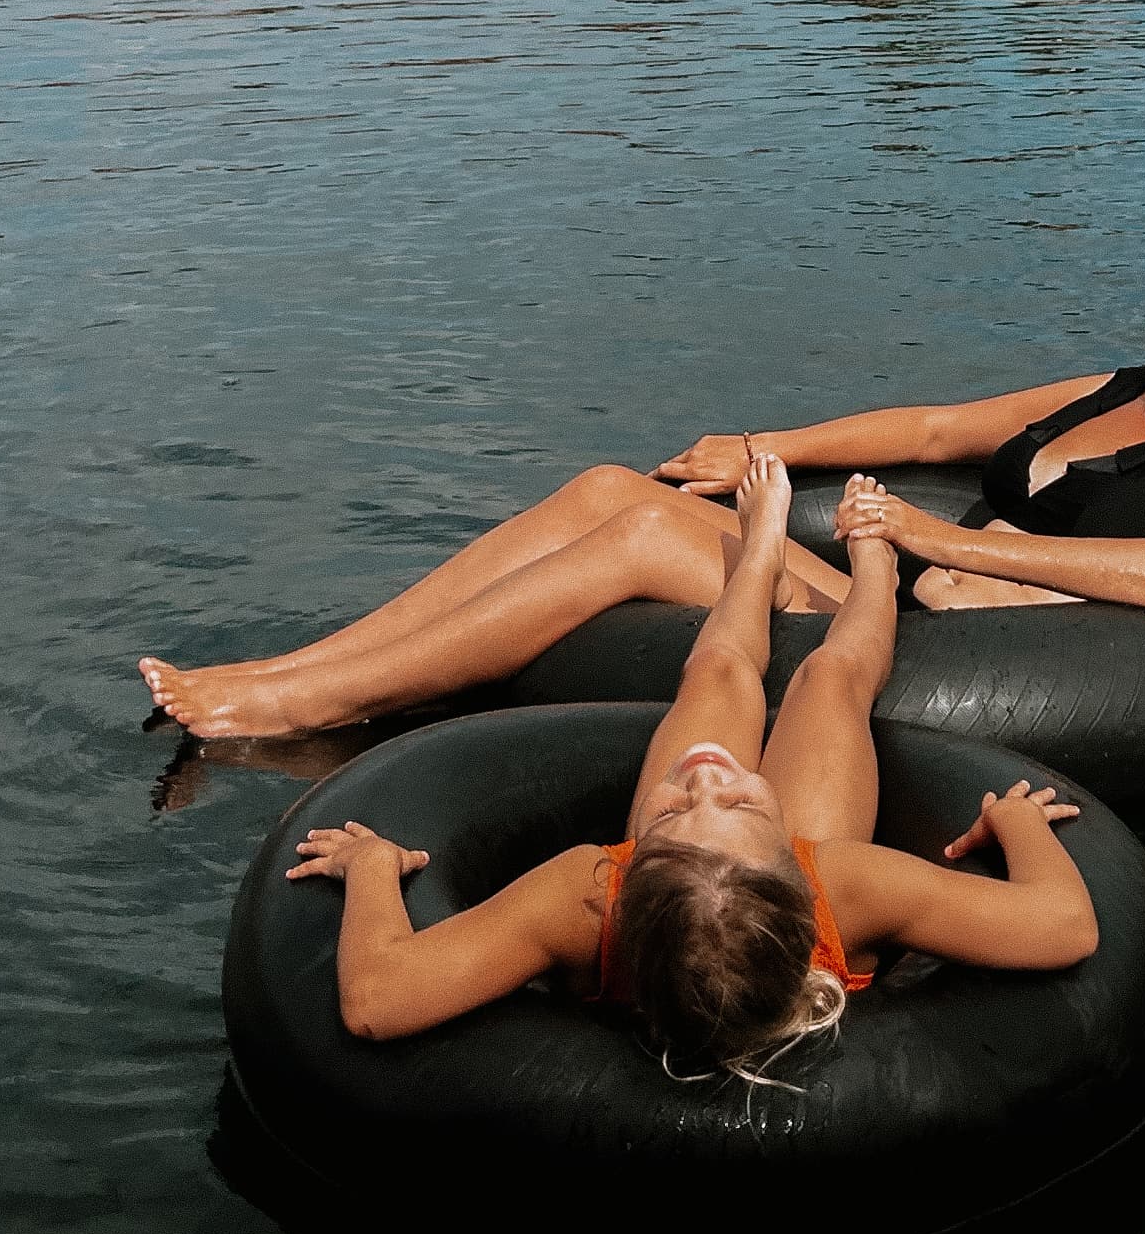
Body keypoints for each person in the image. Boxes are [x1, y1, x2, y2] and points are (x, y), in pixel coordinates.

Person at [138, 210, 1145, 747]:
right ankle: (301, 665)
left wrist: (954, 547)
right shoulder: (1108, 391)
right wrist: (759, 445)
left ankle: (315, 708)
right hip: (892, 598)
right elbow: (933, 428)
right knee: (611, 487)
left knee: (638, 547)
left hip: (961, 663)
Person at [285, 456, 1095, 1071]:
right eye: (740, 802)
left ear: (628, 871)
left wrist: (372, 868)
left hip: (720, 900)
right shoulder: (848, 887)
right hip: (791, 899)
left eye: (671, 815)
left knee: (723, 676)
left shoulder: (586, 894)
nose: (707, 776)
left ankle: (777, 558)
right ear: (792, 866)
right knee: (830, 681)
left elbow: (376, 999)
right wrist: (1020, 825)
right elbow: (1063, 925)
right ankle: (857, 565)